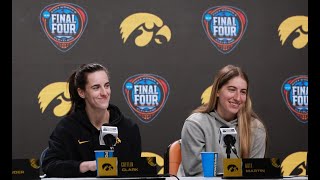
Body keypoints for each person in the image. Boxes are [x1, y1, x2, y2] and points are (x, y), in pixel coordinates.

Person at [42, 63, 142, 177]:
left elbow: (137, 171)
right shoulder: (67, 128)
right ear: (82, 92)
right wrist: (86, 166)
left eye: (107, 86)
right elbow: (49, 165)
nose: (104, 93)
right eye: (96, 87)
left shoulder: (128, 127)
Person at [177, 64, 268, 176]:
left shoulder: (255, 128)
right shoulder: (196, 124)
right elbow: (196, 175)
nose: (238, 98)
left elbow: (255, 175)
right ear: (217, 91)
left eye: (243, 92)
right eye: (232, 89)